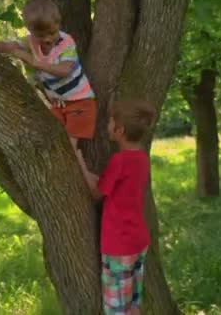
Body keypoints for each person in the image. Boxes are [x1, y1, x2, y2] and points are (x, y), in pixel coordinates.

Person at [0, 0, 96, 148]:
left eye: (52, 33)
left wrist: (35, 63)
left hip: (80, 102)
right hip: (60, 105)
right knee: (49, 135)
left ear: (58, 24)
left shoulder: (66, 42)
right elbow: (9, 46)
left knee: (69, 146)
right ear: (30, 31)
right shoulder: (31, 42)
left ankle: (82, 172)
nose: (47, 39)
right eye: (40, 35)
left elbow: (65, 70)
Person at [74, 100, 154, 315]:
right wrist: (89, 174)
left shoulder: (118, 161)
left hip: (119, 246)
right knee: (132, 305)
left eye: (110, 122)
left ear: (120, 130)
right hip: (137, 240)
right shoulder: (140, 158)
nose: (107, 125)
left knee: (117, 310)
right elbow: (108, 184)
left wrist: (78, 158)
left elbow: (95, 193)